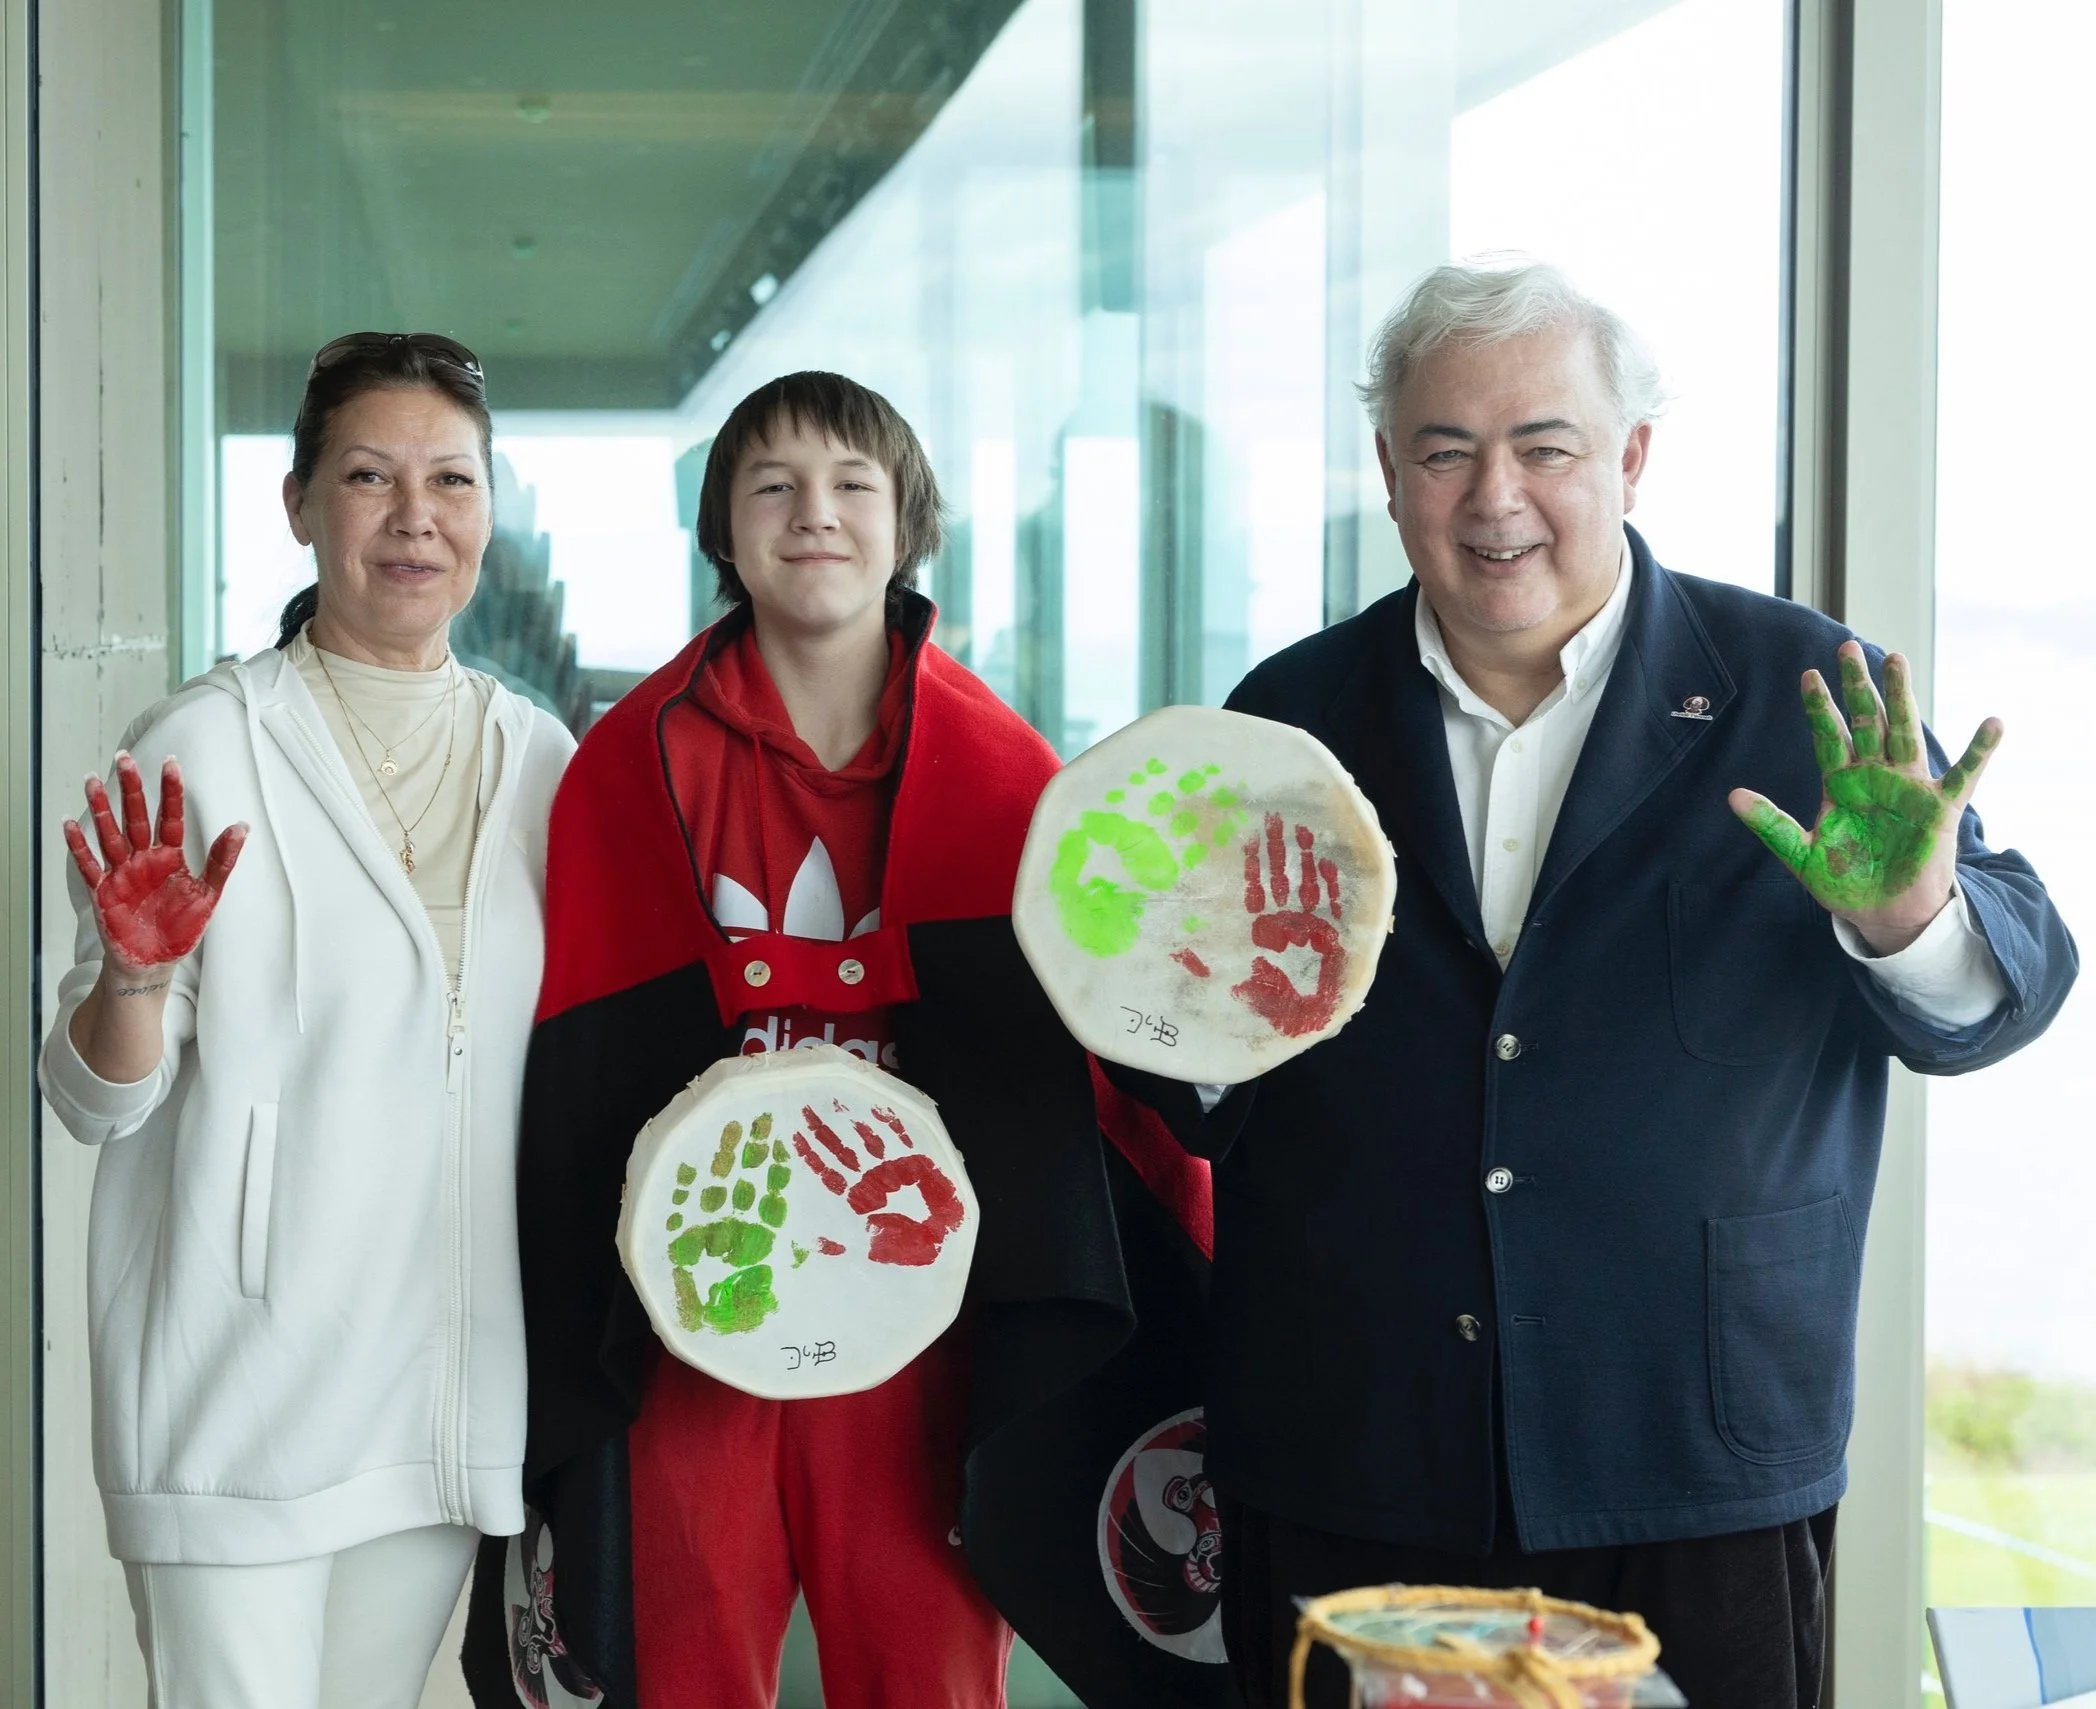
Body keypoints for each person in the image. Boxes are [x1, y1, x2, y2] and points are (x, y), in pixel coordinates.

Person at [1110, 262, 2078, 1709]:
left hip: (1694, 1449)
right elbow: (1187, 1078)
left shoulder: (1802, 691)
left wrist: (1909, 911)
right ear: (1390, 474)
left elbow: (2009, 988)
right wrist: (1167, 988)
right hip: (1354, 1441)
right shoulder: (1285, 722)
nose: (1495, 497)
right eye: (1446, 450)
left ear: (1629, 457)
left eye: (1545, 446)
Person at [489, 371, 1161, 1709]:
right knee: (680, 1672)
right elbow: (572, 1063)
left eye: (855, 484)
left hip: (924, 1321)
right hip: (694, 1301)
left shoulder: (1013, 774)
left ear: (907, 521)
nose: (817, 516)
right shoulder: (627, 763)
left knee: (925, 1678)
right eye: (773, 486)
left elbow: (1078, 1073)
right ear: (721, 530)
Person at [39, 332, 576, 1709]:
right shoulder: (200, 748)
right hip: (244, 1390)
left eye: (451, 481)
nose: (415, 517)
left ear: (488, 512)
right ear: (299, 505)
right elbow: (93, 1099)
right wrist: (137, 983)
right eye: (368, 476)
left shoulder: (544, 766)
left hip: (441, 1402)